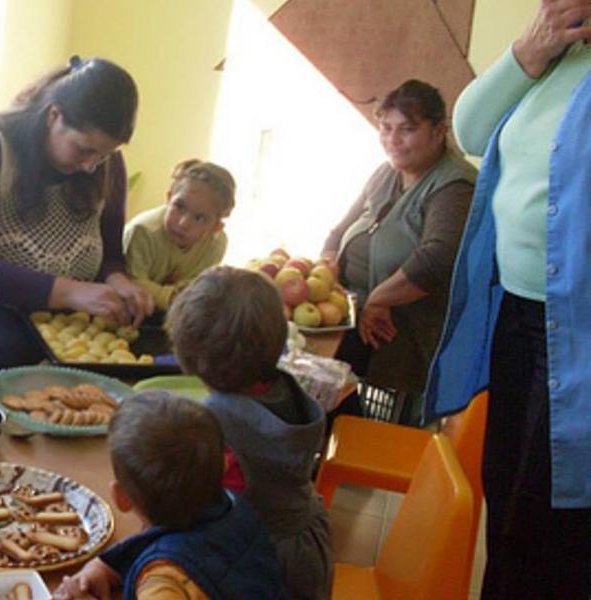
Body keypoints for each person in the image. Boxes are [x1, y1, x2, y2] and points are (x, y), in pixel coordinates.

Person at [424, 2, 591, 597]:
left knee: (550, 520)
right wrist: (529, 51)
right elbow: (469, 129)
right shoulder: (557, 53)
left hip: (577, 330)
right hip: (518, 310)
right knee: (508, 494)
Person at [0, 56, 154, 376]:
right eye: (84, 149)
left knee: (126, 350)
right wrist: (71, 291)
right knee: (12, 359)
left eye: (106, 153)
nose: (92, 165)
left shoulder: (106, 164)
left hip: (52, 313)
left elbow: (109, 255)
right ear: (54, 116)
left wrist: (119, 280)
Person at [169, 266, 332, 600]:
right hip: (305, 542)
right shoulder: (283, 386)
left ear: (191, 357)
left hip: (255, 560)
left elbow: (194, 508)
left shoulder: (216, 425)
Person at [321, 80, 477, 412]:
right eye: (386, 128)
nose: (393, 140)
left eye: (407, 129)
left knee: (312, 377)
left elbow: (437, 259)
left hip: (398, 332)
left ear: (439, 131)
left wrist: (378, 299)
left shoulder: (454, 185)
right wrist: (326, 269)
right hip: (350, 313)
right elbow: (337, 233)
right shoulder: (385, 173)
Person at [54, 392, 286, 600]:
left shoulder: (165, 583)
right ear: (224, 466)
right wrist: (101, 570)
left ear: (121, 497)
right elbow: (147, 545)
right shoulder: (234, 507)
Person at [122, 159, 235, 312]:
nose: (183, 223)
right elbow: (131, 280)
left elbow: (198, 284)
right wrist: (173, 297)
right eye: (179, 207)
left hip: (176, 313)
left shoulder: (216, 243)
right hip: (132, 310)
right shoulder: (143, 231)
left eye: (199, 218)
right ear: (168, 198)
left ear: (215, 227)